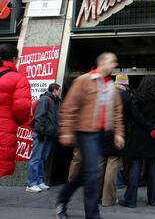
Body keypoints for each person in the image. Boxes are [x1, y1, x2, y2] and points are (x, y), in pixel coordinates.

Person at [56, 52, 125, 219]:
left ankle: (62, 200)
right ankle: (93, 215)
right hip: (86, 132)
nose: (114, 64)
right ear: (101, 62)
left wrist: (119, 133)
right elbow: (69, 107)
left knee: (86, 173)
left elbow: (117, 112)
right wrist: (65, 131)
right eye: (111, 61)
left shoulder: (111, 87)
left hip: (102, 134)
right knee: (94, 173)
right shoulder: (84, 80)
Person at [120, 75, 155, 208]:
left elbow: (135, 115)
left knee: (135, 167)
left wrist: (148, 127)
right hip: (153, 137)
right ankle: (153, 200)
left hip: (139, 137)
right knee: (153, 168)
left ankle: (130, 201)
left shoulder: (136, 97)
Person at [99, 74, 131, 206]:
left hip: (102, 133)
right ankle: (108, 199)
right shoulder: (127, 97)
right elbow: (129, 118)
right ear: (126, 84)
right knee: (112, 167)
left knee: (100, 166)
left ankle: (95, 197)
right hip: (116, 135)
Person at [0, 44, 31, 177]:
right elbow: (22, 108)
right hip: (3, 128)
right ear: (13, 59)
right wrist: (18, 120)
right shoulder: (19, 79)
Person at [26, 83, 61, 193]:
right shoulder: (46, 100)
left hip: (49, 134)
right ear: (55, 90)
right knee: (36, 158)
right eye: (59, 90)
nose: (60, 92)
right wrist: (40, 132)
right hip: (41, 133)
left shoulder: (55, 101)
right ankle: (31, 183)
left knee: (42, 158)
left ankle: (39, 181)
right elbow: (39, 116)